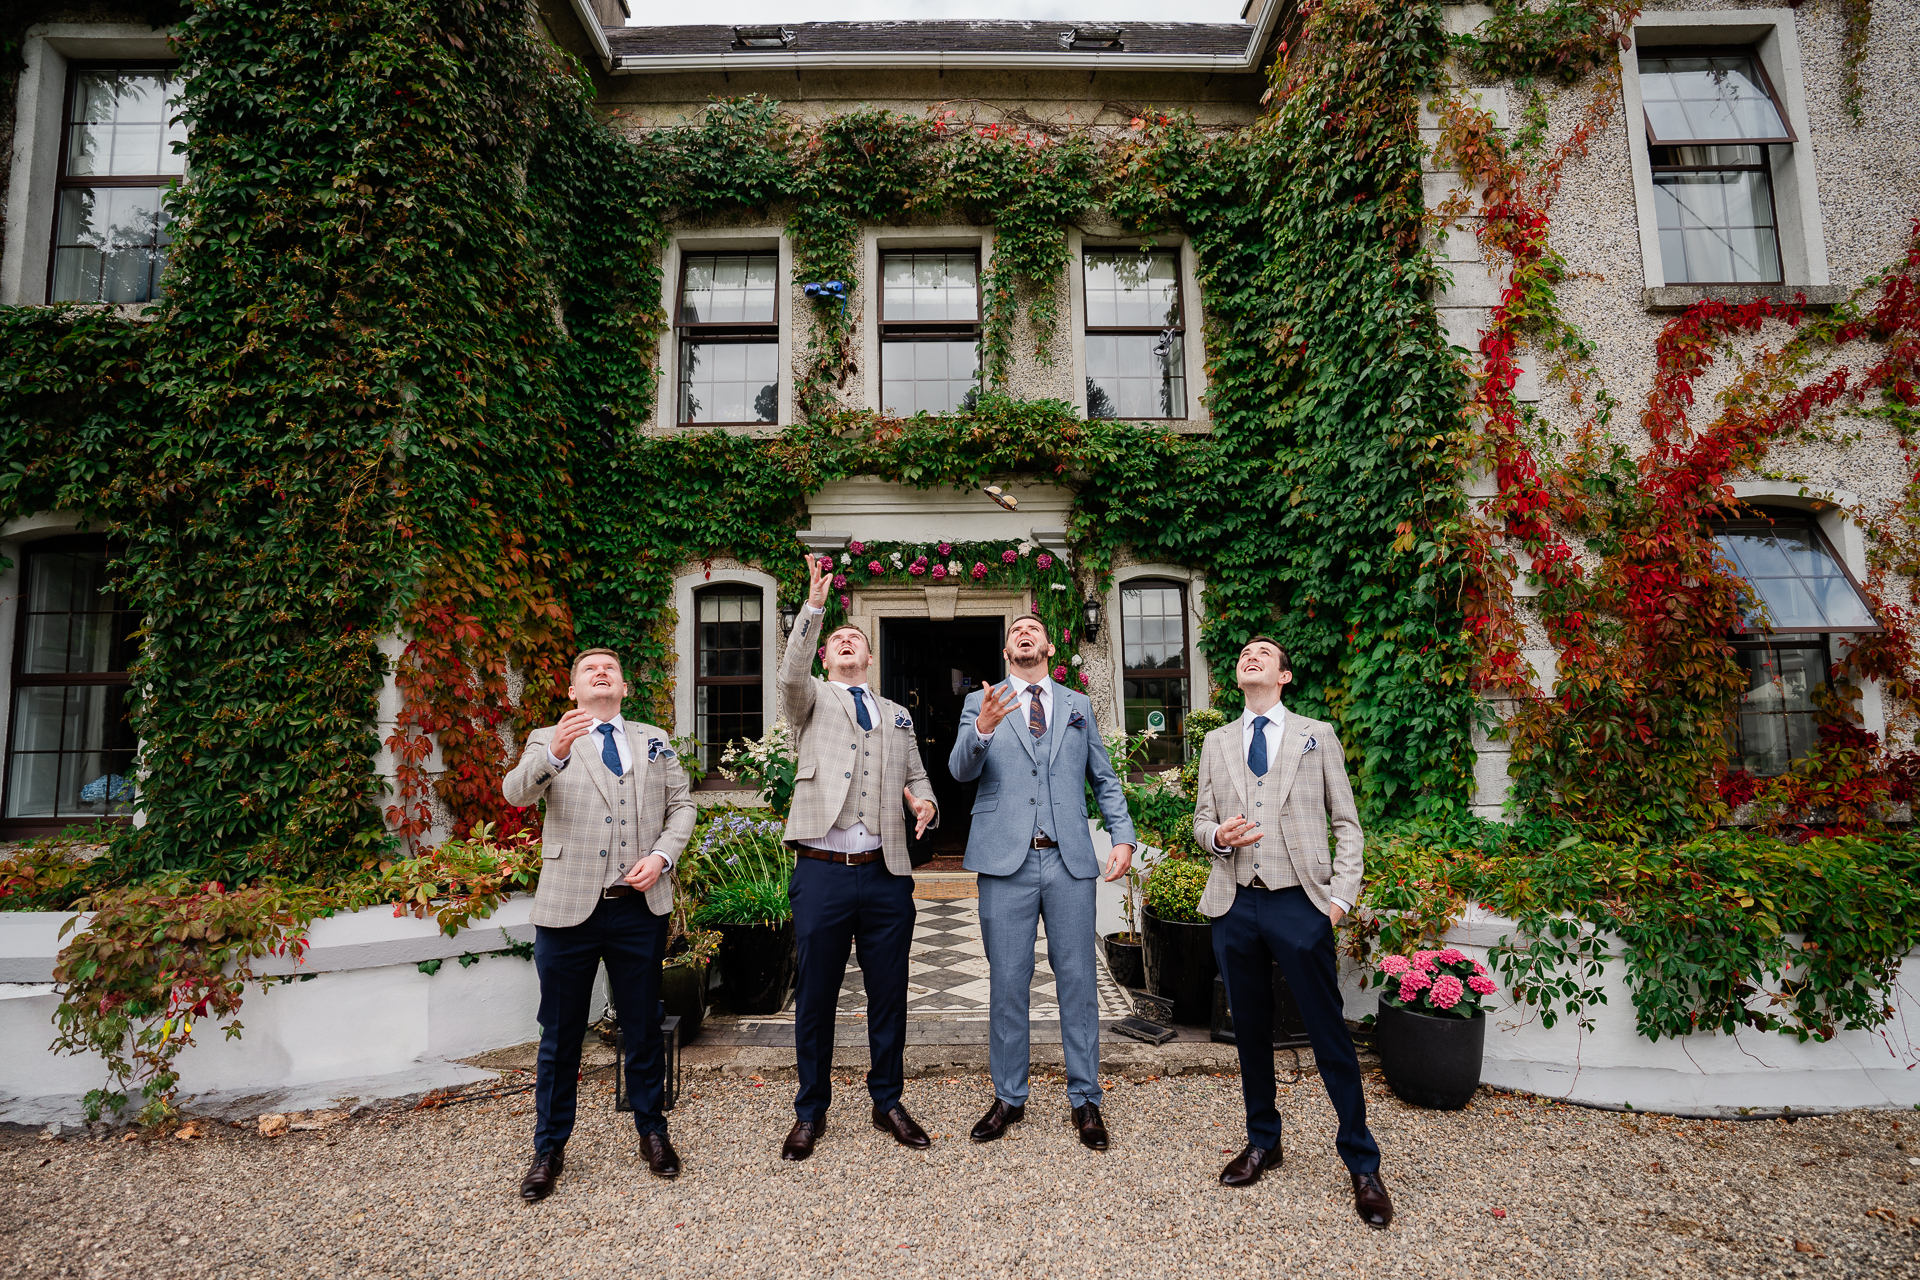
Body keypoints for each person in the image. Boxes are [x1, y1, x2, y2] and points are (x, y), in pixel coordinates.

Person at [1191, 635, 1394, 1228]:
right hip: (1235, 904)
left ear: (1283, 676)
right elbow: (1201, 820)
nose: (1250, 656)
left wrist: (1338, 901)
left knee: (1329, 1034)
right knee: (1248, 1032)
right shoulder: (1216, 742)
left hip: (1301, 906)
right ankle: (1263, 1142)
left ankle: (1362, 1163)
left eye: (1264, 653)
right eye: (1244, 653)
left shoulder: (1317, 735)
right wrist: (1217, 837)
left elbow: (1347, 823)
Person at [502, 647, 696, 1200]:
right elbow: (514, 795)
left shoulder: (653, 737)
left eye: (609, 668)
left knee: (642, 1025)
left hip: (639, 907)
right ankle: (548, 1149)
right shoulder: (548, 737)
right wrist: (554, 756)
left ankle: (652, 1132)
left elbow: (683, 804)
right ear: (573, 690)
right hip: (568, 909)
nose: (601, 672)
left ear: (624, 689)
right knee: (560, 1034)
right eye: (589, 669)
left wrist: (661, 856)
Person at [775, 549, 941, 1161]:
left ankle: (887, 1100)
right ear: (826, 655)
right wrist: (816, 605)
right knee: (815, 993)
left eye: (855, 639)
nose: (846, 644)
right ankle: (809, 1110)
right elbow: (791, 674)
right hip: (821, 871)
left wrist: (925, 805)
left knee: (889, 991)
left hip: (886, 874)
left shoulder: (898, 713)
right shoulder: (810, 698)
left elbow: (919, 776)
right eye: (836, 639)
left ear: (871, 657)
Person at [949, 613, 1135, 1150]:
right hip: (1005, 862)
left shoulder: (1078, 706)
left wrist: (1121, 837)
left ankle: (1086, 1099)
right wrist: (982, 728)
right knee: (1008, 980)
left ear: (1049, 645)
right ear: (1006, 651)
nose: (1024, 634)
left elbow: (1103, 777)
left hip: (1068, 861)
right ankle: (1009, 1096)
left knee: (1078, 981)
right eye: (1014, 632)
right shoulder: (979, 703)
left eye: (1032, 629)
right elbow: (960, 771)